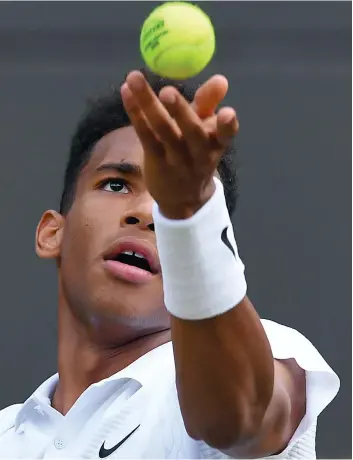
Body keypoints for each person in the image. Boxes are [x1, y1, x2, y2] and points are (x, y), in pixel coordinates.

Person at [0, 69, 339, 459]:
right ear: (51, 233)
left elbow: (240, 418)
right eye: (116, 184)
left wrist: (188, 210)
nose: (146, 212)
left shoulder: (267, 349)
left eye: (167, 200)